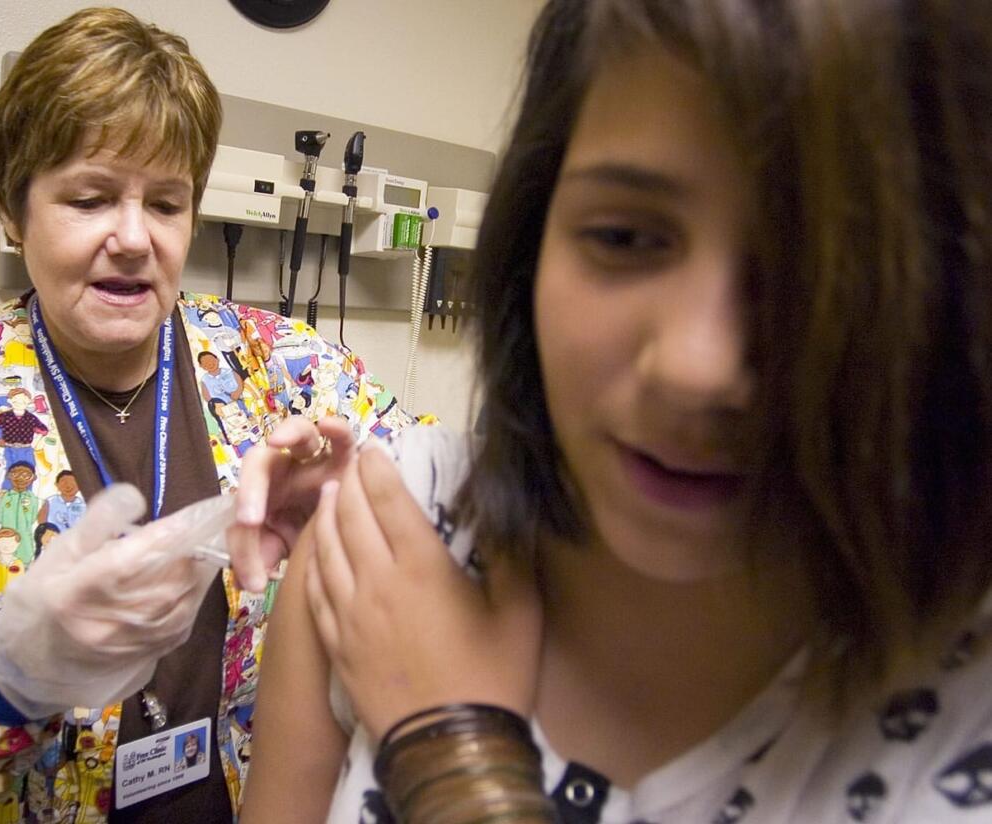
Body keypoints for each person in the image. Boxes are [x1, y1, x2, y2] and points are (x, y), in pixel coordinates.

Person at [232, 0, 992, 821]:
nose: (699, 369)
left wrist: (454, 757)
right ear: (533, 236)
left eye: (814, 263)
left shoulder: (959, 688)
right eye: (625, 237)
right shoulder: (391, 542)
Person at [0, 8, 414, 823]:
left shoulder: (286, 368)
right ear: (12, 213)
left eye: (165, 204)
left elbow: (473, 509)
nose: (134, 239)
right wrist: (9, 670)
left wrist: (376, 504)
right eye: (91, 199)